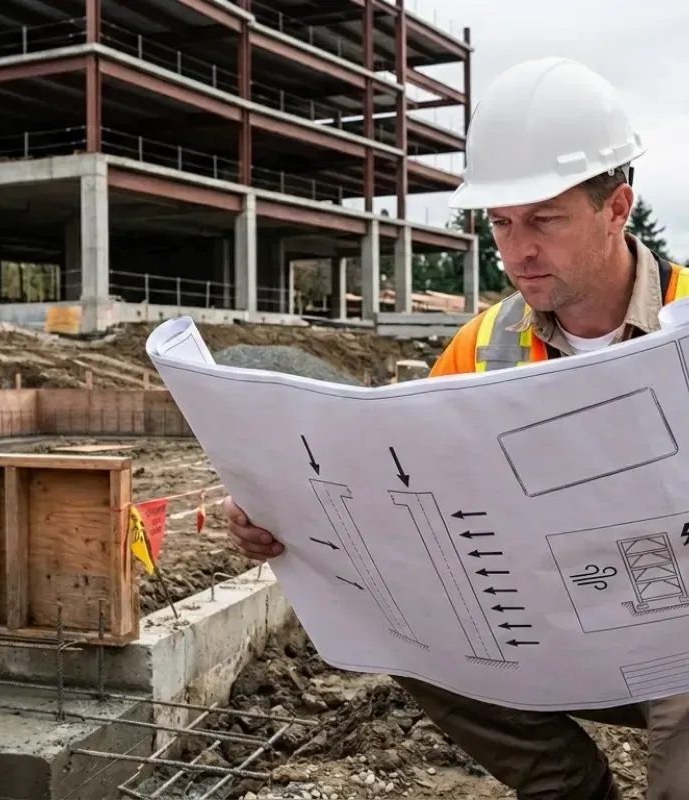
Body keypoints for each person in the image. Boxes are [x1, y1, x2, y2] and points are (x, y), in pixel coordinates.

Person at [222, 58, 689, 800]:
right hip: (560, 624)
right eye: (501, 222)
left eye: (544, 219)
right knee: (408, 636)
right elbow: (393, 488)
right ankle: (568, 788)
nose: (517, 250)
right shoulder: (484, 344)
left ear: (617, 208)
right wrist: (277, 511)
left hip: (678, 639)